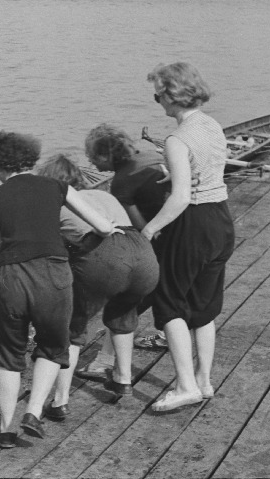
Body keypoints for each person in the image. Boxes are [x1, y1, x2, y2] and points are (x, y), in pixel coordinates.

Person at [0, 131, 123, 449]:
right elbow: (101, 226)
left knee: (7, 354)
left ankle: (5, 430)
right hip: (54, 274)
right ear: (30, 159)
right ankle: (33, 411)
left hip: (11, 277)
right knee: (54, 345)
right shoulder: (58, 186)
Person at [35, 154, 159, 417]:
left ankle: (60, 400)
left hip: (106, 257)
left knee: (72, 327)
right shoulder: (104, 196)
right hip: (144, 255)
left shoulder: (55, 204)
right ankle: (123, 379)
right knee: (123, 313)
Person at [143, 62, 234, 412]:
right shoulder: (211, 125)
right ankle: (204, 380)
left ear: (171, 95)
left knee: (169, 302)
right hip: (221, 219)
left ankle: (185, 386)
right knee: (203, 305)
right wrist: (179, 175)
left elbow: (181, 198)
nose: (158, 102)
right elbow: (209, 168)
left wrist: (150, 227)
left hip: (193, 223)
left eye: (158, 95)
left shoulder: (176, 138)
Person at [76, 124, 171, 381]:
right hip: (180, 231)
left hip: (161, 240)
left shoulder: (122, 181)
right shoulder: (150, 156)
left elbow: (137, 227)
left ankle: (103, 362)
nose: (90, 162)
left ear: (107, 156)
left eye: (93, 157)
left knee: (125, 305)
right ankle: (164, 334)